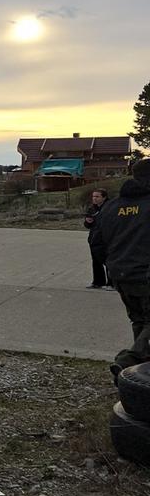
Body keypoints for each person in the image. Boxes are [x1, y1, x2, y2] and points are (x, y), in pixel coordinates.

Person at [93, 159, 150, 379]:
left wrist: (112, 263)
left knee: (140, 321)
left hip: (120, 274)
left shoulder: (112, 207)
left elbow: (96, 241)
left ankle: (139, 375)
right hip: (145, 274)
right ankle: (130, 360)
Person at [84, 188, 111, 289]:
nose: (94, 199)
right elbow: (87, 225)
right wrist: (88, 222)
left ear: (104, 197)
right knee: (96, 261)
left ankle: (111, 283)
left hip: (105, 239)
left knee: (108, 261)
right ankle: (98, 282)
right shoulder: (92, 209)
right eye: (93, 196)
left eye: (97, 196)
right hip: (94, 239)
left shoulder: (109, 208)